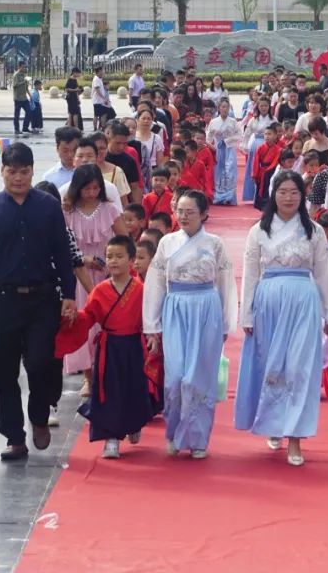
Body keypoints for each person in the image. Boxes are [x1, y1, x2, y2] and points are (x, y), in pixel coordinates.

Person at [0, 142, 77, 460]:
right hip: (4, 300)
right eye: (12, 171)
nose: (18, 178)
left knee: (41, 363)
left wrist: (69, 295)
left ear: (32, 171)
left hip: (43, 299)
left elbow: (62, 253)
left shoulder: (48, 207)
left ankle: (39, 417)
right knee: (5, 372)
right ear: (2, 171)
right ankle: (14, 437)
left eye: (24, 172)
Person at [235, 171, 328, 466]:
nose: (289, 198)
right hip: (269, 301)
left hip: (303, 300)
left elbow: (324, 273)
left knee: (298, 367)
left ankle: (295, 436)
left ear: (302, 196)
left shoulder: (314, 231)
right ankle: (274, 423)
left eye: (294, 192)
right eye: (283, 192)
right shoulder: (259, 230)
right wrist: (247, 314)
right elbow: (250, 272)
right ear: (274, 194)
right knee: (272, 365)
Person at [143, 190, 238, 459]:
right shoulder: (167, 243)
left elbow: (225, 283)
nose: (183, 217)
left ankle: (198, 438)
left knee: (199, 377)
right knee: (175, 377)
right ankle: (174, 432)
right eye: (180, 211)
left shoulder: (215, 244)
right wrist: (152, 325)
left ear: (204, 214)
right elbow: (155, 283)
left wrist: (226, 322)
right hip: (175, 308)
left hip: (206, 309)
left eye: (190, 212)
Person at [57, 235, 154, 459]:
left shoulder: (141, 289)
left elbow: (150, 318)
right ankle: (111, 438)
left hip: (133, 346)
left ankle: (134, 423)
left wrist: (153, 338)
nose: (113, 261)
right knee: (108, 391)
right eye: (109, 256)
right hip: (109, 348)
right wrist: (74, 317)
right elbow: (88, 317)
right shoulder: (100, 290)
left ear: (131, 260)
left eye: (119, 256)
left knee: (133, 388)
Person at [62, 164, 129, 395]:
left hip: (106, 273)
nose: (91, 193)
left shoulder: (109, 209)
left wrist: (116, 262)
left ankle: (108, 373)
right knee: (85, 325)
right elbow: (63, 247)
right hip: (78, 275)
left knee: (108, 324)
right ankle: (88, 377)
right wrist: (84, 259)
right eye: (86, 189)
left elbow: (124, 238)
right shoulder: (68, 212)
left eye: (95, 188)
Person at [207, 98, 242, 206]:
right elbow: (208, 137)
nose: (225, 109)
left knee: (230, 172)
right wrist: (212, 146)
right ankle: (219, 197)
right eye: (222, 107)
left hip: (229, 149)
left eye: (227, 107)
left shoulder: (233, 121)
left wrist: (227, 141)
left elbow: (239, 135)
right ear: (219, 108)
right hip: (218, 149)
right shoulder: (213, 122)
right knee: (218, 172)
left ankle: (229, 197)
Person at [241, 95, 276, 203]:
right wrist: (245, 145)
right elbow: (247, 133)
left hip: (269, 146)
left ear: (269, 107)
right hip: (256, 145)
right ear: (258, 107)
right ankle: (252, 194)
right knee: (254, 168)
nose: (263, 108)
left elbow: (277, 133)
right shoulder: (253, 119)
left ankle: (265, 194)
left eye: (265, 106)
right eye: (261, 106)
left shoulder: (273, 119)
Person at [135, 107, 166, 189]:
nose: (146, 121)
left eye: (149, 119)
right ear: (138, 120)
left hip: (152, 172)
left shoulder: (157, 138)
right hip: (135, 171)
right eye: (143, 118)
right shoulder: (133, 138)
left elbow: (160, 161)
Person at [12, 62, 31, 137]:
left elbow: (26, 87)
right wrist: (23, 82)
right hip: (18, 98)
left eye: (24, 67)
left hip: (24, 98)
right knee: (17, 115)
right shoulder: (16, 75)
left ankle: (25, 127)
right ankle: (17, 129)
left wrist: (30, 96)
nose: (24, 68)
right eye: (22, 67)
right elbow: (14, 86)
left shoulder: (24, 75)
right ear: (19, 67)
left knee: (29, 112)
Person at [92, 66, 114, 130]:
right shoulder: (96, 79)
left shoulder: (99, 79)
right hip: (97, 101)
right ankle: (99, 128)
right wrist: (104, 98)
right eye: (102, 71)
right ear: (99, 72)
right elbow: (97, 90)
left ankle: (99, 127)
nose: (103, 72)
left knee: (99, 115)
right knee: (99, 115)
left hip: (99, 101)